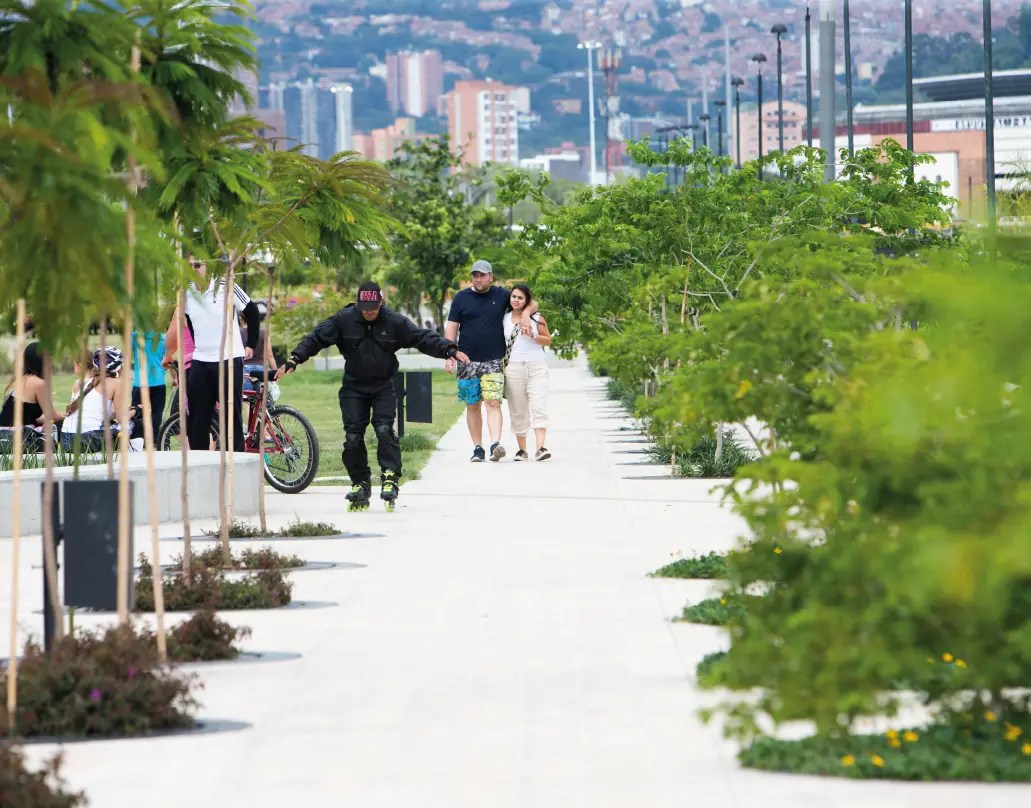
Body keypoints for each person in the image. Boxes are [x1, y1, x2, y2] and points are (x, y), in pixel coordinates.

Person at [276, 281, 469, 511]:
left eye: (373, 307)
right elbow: (316, 337)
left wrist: (449, 349)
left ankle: (389, 476)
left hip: (384, 386)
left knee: (384, 430)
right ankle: (360, 482)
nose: (368, 311)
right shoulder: (344, 319)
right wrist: (295, 358)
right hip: (353, 388)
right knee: (352, 438)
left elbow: (422, 337)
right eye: (364, 307)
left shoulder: (394, 321)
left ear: (381, 302)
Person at [164, 257, 260, 451]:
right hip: (201, 359)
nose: (193, 269)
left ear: (208, 266)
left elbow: (252, 311)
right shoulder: (185, 293)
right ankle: (200, 464)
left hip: (229, 359)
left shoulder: (226, 286)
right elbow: (189, 321)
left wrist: (250, 344)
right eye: (189, 266)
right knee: (197, 420)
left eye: (197, 265)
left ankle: (235, 469)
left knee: (230, 417)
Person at [445, 260, 537, 462]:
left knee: (493, 402)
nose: (478, 279)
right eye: (475, 275)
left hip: (494, 360)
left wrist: (527, 314)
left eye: (482, 275)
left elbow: (530, 301)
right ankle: (477, 448)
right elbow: (451, 327)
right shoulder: (461, 298)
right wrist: (449, 353)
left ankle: (495, 444)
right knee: (472, 404)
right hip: (466, 360)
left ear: (490, 277)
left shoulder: (502, 295)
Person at [503, 284, 553, 461]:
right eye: (514, 296)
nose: (516, 300)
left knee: (538, 405)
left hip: (536, 366)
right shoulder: (504, 319)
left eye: (520, 297)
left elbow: (548, 341)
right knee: (518, 409)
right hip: (513, 368)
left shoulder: (537, 317)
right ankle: (522, 450)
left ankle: (541, 448)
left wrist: (532, 335)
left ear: (527, 301)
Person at [63, 347, 136, 453]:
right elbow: (122, 419)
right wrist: (135, 411)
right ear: (118, 367)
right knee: (132, 424)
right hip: (88, 439)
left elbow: (97, 415)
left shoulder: (86, 382)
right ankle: (134, 456)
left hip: (67, 440)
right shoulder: (117, 383)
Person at [0, 342, 60, 452]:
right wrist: (69, 414)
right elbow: (52, 417)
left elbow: (28, 415)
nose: (51, 362)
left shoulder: (19, 379)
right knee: (59, 425)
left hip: (4, 433)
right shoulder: (38, 383)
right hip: (17, 437)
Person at [131, 330, 167, 440]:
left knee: (136, 413)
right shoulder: (163, 337)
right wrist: (175, 377)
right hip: (159, 381)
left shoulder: (135, 336)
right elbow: (167, 359)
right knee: (157, 413)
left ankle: (137, 440)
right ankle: (155, 440)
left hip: (140, 381)